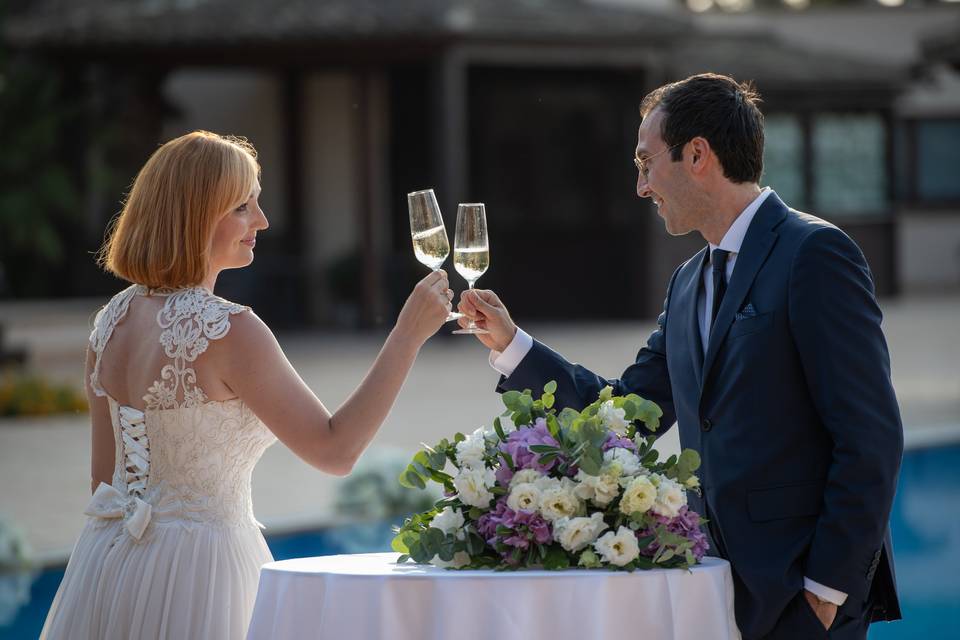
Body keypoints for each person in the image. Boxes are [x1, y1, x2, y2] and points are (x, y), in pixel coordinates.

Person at [458, 74, 902, 640]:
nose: (641, 187)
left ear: (697, 155)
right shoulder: (687, 282)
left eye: (645, 163)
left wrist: (826, 590)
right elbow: (625, 413)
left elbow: (871, 438)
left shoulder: (816, 254)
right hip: (709, 588)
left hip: (802, 599)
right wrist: (512, 343)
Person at [41, 131, 452, 639]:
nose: (262, 222)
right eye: (243, 207)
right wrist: (407, 336)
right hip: (203, 572)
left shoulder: (111, 322)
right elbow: (336, 450)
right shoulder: (230, 330)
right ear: (195, 216)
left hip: (108, 564)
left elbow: (104, 481)